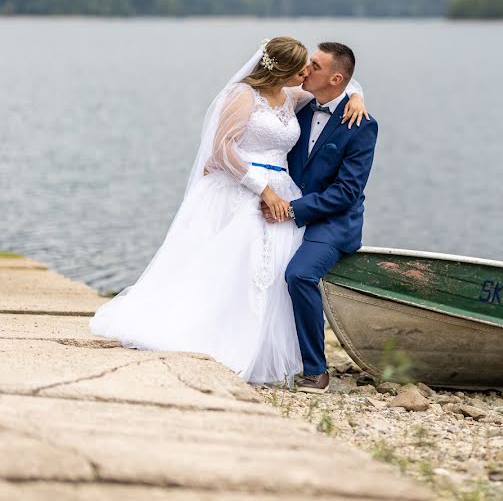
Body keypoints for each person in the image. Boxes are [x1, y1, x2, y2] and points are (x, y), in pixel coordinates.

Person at [90, 37, 369, 384]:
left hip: (284, 196)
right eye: (303, 66)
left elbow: (343, 82)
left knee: (272, 272)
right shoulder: (243, 96)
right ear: (283, 70)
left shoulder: (294, 97)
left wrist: (358, 96)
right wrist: (263, 190)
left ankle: (269, 350)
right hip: (246, 190)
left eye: (312, 67)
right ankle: (221, 339)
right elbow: (222, 147)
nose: (306, 71)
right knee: (232, 265)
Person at [260, 42, 377, 394]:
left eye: (314, 65)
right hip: (285, 207)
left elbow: (347, 192)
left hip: (332, 222)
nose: (305, 70)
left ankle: (316, 370)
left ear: (335, 78)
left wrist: (294, 210)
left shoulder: (361, 126)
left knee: (298, 274)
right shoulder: (300, 107)